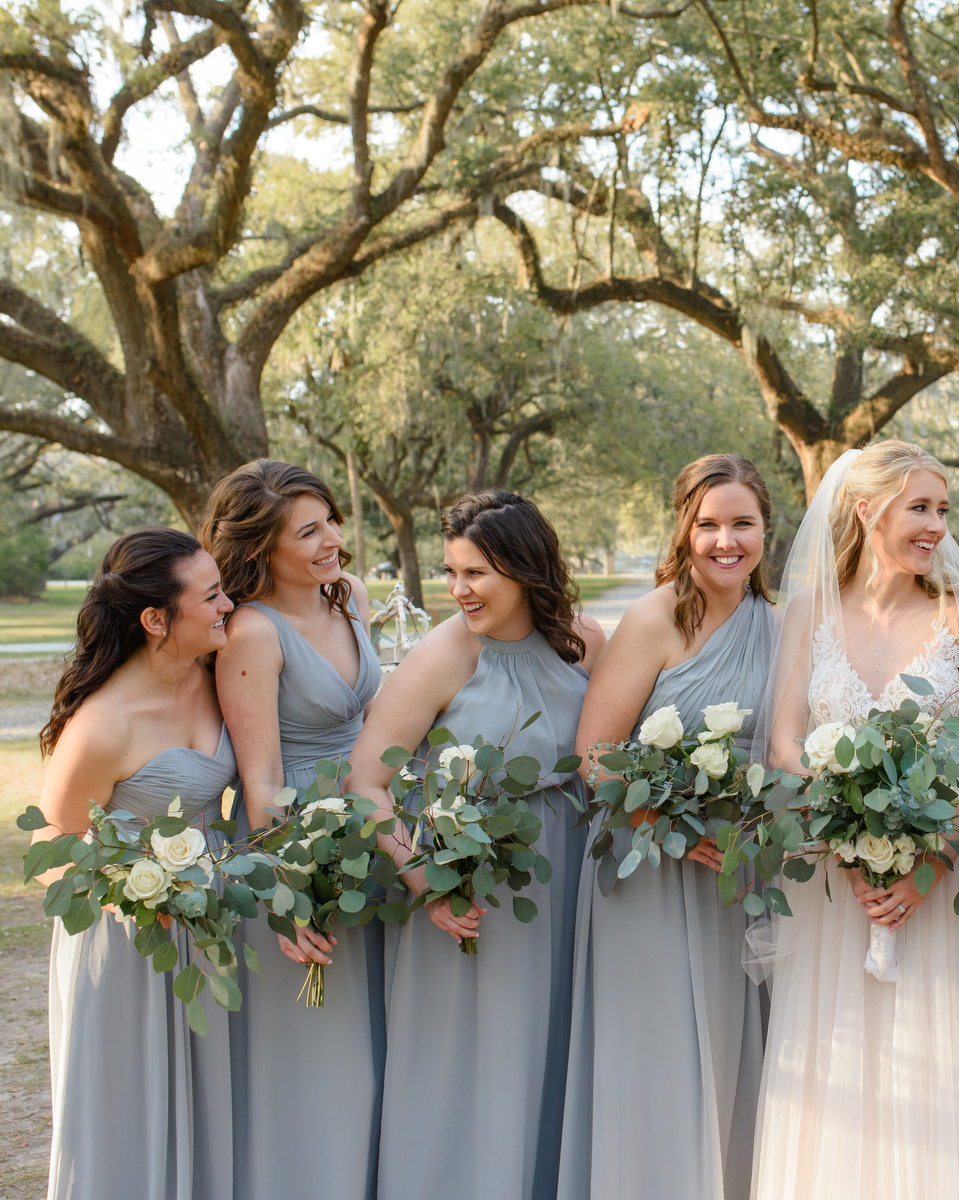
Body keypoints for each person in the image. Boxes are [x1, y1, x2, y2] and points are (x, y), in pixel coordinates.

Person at [751, 439, 959, 1200]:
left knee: (937, 1076)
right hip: (828, 886)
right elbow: (784, 742)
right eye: (920, 508)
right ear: (866, 508)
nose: (937, 527)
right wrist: (845, 841)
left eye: (942, 510)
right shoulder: (809, 609)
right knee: (832, 1075)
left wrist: (929, 865)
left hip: (936, 892)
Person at [346, 491, 604, 1200]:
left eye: (476, 573)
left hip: (571, 875)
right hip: (476, 888)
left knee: (554, 1051)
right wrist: (426, 877)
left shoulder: (582, 640)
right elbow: (366, 780)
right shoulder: (443, 655)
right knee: (473, 1062)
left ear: (525, 569)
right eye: (452, 572)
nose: (458, 590)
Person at [557, 454, 777, 1200]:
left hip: (738, 872)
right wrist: (673, 821)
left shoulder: (776, 626)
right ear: (684, 531)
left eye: (741, 524)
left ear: (765, 530)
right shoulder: (656, 617)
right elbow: (594, 756)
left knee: (727, 1050)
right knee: (656, 1056)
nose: (725, 541)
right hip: (651, 863)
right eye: (708, 524)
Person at [36, 528, 239, 1199]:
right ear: (156, 619)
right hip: (124, 944)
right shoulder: (103, 723)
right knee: (125, 1116)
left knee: (210, 1110)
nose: (227, 605)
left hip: (209, 927)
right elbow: (48, 847)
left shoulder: (217, 675)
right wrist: (134, 898)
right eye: (210, 595)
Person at [203, 461, 385, 1200]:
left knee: (375, 1046)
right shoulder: (251, 634)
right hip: (302, 859)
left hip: (373, 841)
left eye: (331, 521)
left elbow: (376, 727)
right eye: (308, 532)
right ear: (261, 549)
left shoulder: (351, 599)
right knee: (319, 1061)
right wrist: (287, 892)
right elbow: (259, 781)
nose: (332, 540)